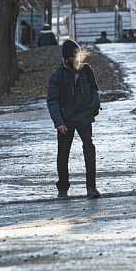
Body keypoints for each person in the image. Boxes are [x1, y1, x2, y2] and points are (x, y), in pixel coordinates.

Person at [47, 40, 101, 199]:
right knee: (63, 154)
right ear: (66, 58)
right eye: (73, 56)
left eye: (78, 55)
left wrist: (93, 105)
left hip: (84, 116)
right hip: (66, 119)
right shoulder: (57, 75)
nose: (77, 59)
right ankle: (62, 188)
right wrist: (59, 122)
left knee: (89, 149)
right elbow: (52, 101)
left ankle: (91, 187)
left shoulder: (86, 70)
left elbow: (94, 89)